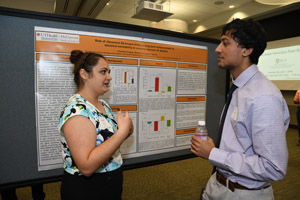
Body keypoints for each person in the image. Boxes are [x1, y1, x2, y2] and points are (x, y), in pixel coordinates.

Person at [191, 18, 290, 200]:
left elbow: (273, 167)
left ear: (246, 50)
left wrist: (214, 153)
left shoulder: (263, 97)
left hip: (243, 194)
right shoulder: (239, 87)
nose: (218, 49)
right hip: (219, 184)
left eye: (225, 43)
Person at [59, 50, 133, 200]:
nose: (109, 77)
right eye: (103, 71)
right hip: (87, 190)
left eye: (109, 72)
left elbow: (108, 143)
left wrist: (126, 131)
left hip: (109, 185)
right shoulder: (77, 111)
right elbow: (86, 166)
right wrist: (121, 133)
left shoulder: (103, 105)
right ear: (84, 74)